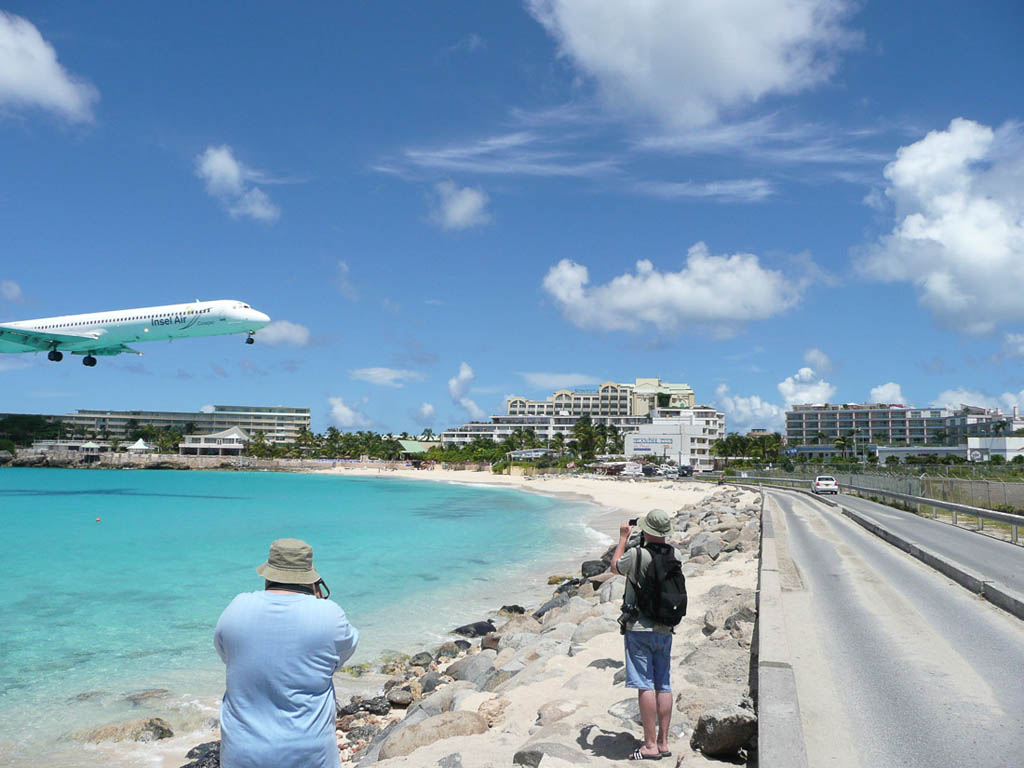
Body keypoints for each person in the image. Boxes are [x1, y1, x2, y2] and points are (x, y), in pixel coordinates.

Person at [215, 538, 359, 768]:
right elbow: (341, 654)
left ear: (268, 574)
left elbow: (228, 657)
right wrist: (319, 601)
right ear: (312, 579)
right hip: (308, 754)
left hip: (243, 753)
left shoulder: (236, 607)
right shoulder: (330, 615)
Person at [611, 509, 680, 761]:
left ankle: (649, 745)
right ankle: (663, 742)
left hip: (639, 628)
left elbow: (615, 567)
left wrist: (622, 538)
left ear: (647, 530)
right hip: (665, 627)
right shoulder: (676, 554)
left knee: (644, 685)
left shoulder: (636, 554)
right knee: (664, 684)